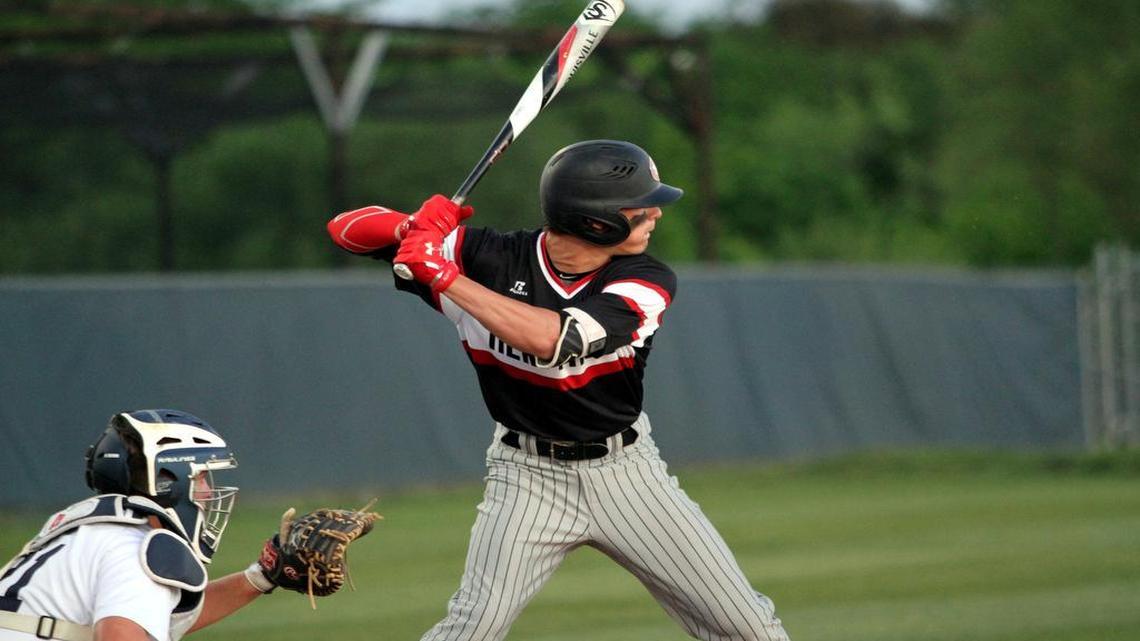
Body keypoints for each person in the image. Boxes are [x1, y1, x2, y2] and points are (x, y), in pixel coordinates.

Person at [327, 139, 791, 641]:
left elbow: (555, 341)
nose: (656, 212)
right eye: (641, 204)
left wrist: (444, 277)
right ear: (597, 220)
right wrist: (410, 228)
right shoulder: (488, 256)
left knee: (748, 628)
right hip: (525, 475)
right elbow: (344, 230)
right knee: (471, 629)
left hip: (627, 475)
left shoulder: (645, 278)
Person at [2, 409, 310, 641]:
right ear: (167, 480)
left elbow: (158, 618)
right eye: (201, 477)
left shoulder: (97, 530)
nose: (207, 492)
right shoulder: (138, 548)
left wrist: (261, 577)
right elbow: (121, 636)